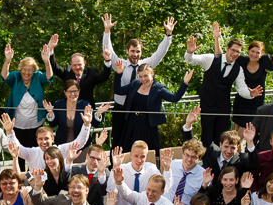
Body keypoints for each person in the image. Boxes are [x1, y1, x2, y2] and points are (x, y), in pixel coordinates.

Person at [102, 14, 176, 144]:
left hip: (138, 110)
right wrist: (107, 31)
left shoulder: (146, 66)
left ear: (141, 52)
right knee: (118, 140)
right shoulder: (119, 64)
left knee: (137, 142)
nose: (135, 54)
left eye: (138, 51)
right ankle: (115, 164)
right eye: (132, 51)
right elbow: (108, 51)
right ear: (127, 51)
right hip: (120, 108)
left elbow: (160, 53)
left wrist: (168, 35)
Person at [184, 29, 260, 148]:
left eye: (238, 52)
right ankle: (207, 163)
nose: (235, 54)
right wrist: (189, 52)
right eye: (233, 50)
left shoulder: (238, 69)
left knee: (222, 139)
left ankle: (221, 164)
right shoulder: (211, 59)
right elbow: (190, 60)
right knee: (207, 139)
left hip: (223, 108)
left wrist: (251, 94)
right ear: (227, 49)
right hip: (207, 106)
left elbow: (242, 89)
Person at [112, 58, 192, 152]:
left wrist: (185, 83)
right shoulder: (135, 84)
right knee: (128, 151)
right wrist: (118, 74)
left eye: (145, 76)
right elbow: (118, 91)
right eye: (140, 76)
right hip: (132, 124)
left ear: (152, 73)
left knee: (148, 153)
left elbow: (174, 98)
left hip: (148, 126)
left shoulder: (159, 89)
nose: (143, 79)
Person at [1, 43, 55, 155]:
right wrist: (7, 61)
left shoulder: (38, 77)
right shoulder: (15, 77)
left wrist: (47, 61)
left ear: (34, 70)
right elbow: (5, 76)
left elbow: (49, 77)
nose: (27, 72)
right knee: (18, 152)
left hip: (36, 124)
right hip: (17, 125)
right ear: (20, 69)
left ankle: (34, 173)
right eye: (24, 69)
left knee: (36, 153)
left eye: (30, 70)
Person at [1, 109, 92, 174]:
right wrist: (9, 132)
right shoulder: (32, 152)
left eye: (46, 138)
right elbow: (17, 148)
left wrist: (87, 125)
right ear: (36, 140)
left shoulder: (61, 149)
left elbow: (79, 142)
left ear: (52, 139)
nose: (43, 142)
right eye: (40, 139)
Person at [47, 34, 113, 107]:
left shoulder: (91, 73)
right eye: (75, 65)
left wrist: (107, 60)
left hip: (86, 110)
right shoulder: (67, 72)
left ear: (84, 63)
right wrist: (50, 49)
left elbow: (104, 76)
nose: (77, 67)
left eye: (79, 64)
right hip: (68, 110)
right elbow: (55, 67)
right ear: (71, 64)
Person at [43, 79, 106, 148]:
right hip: (62, 145)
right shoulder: (58, 104)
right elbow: (53, 124)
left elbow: (94, 124)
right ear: (65, 92)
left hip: (81, 145)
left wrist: (98, 113)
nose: (73, 94)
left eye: (75, 91)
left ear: (79, 91)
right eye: (69, 91)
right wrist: (51, 112)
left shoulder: (85, 104)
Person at [108, 141, 161, 205]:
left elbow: (162, 188)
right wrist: (115, 167)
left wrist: (167, 171)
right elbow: (111, 192)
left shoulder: (151, 169)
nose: (139, 160)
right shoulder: (121, 168)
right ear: (130, 155)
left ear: (146, 156)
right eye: (136, 156)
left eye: (142, 157)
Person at [160, 139, 213, 205]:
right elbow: (164, 188)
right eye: (187, 155)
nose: (189, 159)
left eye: (193, 157)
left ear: (199, 158)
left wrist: (205, 184)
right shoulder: (172, 164)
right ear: (182, 153)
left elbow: (201, 201)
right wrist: (167, 170)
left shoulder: (204, 175)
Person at [65, 140, 111, 205]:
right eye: (92, 158)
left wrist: (101, 173)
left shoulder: (106, 173)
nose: (95, 162)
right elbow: (65, 181)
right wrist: (69, 161)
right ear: (87, 156)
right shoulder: (76, 170)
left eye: (98, 159)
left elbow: (103, 192)